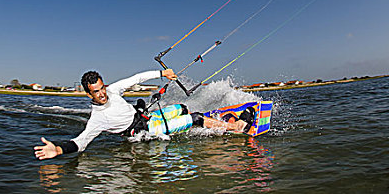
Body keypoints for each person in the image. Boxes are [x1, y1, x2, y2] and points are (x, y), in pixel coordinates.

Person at [34, 69, 253, 160]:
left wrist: (161, 73)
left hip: (146, 118)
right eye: (96, 92)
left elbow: (137, 78)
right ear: (88, 93)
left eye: (102, 88)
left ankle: (213, 122)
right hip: (143, 131)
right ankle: (236, 127)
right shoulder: (97, 119)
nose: (102, 94)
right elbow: (80, 143)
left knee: (183, 108)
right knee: (194, 118)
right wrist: (59, 149)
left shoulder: (112, 90)